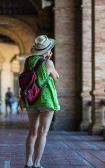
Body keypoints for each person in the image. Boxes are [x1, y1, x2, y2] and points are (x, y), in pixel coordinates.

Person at [24, 35, 60, 168]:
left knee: (32, 132)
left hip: (31, 98)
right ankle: (36, 163)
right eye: (50, 49)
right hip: (46, 99)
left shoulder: (28, 61)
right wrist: (48, 60)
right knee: (42, 132)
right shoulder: (48, 63)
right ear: (47, 51)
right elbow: (56, 77)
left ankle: (27, 162)